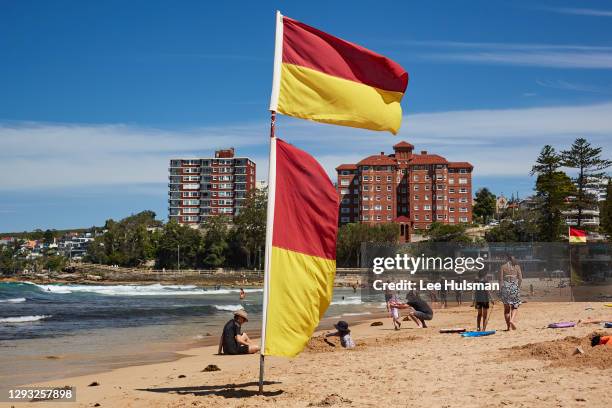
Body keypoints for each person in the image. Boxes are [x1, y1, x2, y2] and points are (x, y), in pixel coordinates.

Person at [500, 254, 522, 331]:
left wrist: (500, 290)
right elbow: (520, 279)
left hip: (505, 287)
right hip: (514, 286)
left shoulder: (503, 267)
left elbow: (501, 280)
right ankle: (512, 320)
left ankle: (508, 327)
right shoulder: (517, 267)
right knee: (514, 307)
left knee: (506, 309)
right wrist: (517, 287)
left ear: (507, 259)